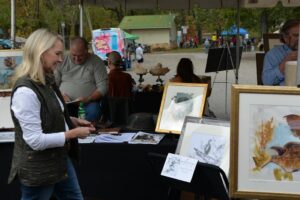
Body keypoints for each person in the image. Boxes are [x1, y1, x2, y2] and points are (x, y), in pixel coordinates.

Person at [8, 28, 95, 199]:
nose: (61, 59)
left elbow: (48, 115)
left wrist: (71, 120)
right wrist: (72, 133)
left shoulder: (46, 81)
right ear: (41, 53)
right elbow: (35, 141)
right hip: (39, 169)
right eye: (57, 53)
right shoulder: (26, 91)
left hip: (59, 160)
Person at [55, 37, 108, 122]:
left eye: (80, 56)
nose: (76, 59)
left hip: (88, 103)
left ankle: (86, 131)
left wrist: (89, 98)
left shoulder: (96, 61)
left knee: (94, 111)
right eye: (73, 55)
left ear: (87, 51)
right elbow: (53, 84)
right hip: (65, 102)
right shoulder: (62, 60)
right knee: (57, 112)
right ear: (70, 50)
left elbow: (103, 87)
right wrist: (60, 95)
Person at [262, 19, 299, 85]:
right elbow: (267, 82)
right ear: (285, 37)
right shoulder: (273, 54)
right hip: (286, 94)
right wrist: (284, 63)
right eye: (296, 35)